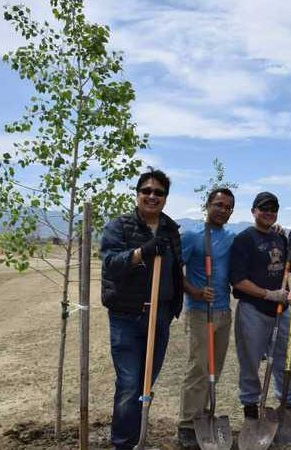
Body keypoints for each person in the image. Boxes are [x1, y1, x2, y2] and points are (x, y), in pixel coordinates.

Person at [100, 168, 184, 450]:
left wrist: (173, 306)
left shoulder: (171, 229)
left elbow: (175, 270)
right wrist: (142, 252)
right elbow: (111, 264)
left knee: (146, 383)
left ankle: (139, 439)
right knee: (129, 384)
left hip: (159, 316)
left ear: (165, 198)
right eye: (146, 191)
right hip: (127, 316)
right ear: (137, 194)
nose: (152, 196)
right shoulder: (120, 226)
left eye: (158, 192)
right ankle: (123, 444)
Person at [229, 191, 291, 431]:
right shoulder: (244, 239)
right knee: (250, 362)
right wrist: (268, 294)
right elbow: (237, 280)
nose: (268, 212)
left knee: (284, 362)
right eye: (263, 208)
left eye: (273, 209)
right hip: (254, 310)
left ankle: (288, 410)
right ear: (253, 211)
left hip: (282, 310)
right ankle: (251, 414)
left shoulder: (281, 238)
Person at [176, 188, 236, 448]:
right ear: (208, 205)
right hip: (201, 312)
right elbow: (174, 270)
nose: (223, 210)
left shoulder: (231, 237)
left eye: (228, 207)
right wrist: (196, 292)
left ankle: (204, 417)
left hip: (224, 311)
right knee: (199, 367)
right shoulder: (191, 236)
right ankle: (187, 424)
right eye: (218, 205)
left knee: (215, 368)